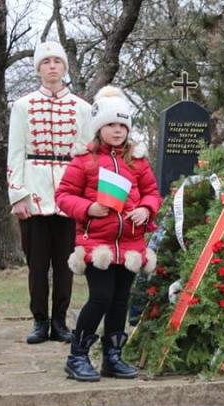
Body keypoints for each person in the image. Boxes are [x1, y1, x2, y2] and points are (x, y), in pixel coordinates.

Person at [56, 85, 162, 382]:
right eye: (111, 125)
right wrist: (89, 208)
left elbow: (153, 193)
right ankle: (77, 356)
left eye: (122, 125)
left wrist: (146, 209)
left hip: (130, 245)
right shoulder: (84, 160)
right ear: (99, 127)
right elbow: (64, 196)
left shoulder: (137, 161)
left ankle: (113, 357)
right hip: (97, 245)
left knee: (120, 300)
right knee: (100, 298)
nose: (117, 131)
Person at [7, 41, 93, 344]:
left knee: (66, 264)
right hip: (34, 193)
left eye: (57, 61)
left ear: (64, 67)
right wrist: (17, 194)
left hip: (71, 195)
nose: (52, 66)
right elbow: (15, 152)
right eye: (46, 62)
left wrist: (87, 198)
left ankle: (59, 321)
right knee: (37, 264)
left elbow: (87, 156)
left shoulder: (83, 108)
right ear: (39, 68)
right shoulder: (22, 106)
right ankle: (39, 321)